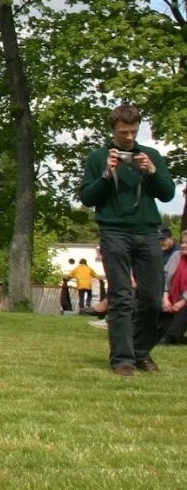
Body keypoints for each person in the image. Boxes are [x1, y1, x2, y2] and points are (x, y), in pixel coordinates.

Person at [78, 104, 176, 376]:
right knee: (120, 296)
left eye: (133, 132)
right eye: (124, 133)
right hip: (114, 232)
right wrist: (107, 175)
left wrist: (153, 171)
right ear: (113, 130)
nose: (129, 138)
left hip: (147, 232)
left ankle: (140, 351)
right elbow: (87, 197)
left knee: (152, 297)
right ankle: (122, 359)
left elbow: (167, 194)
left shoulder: (151, 155)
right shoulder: (98, 157)